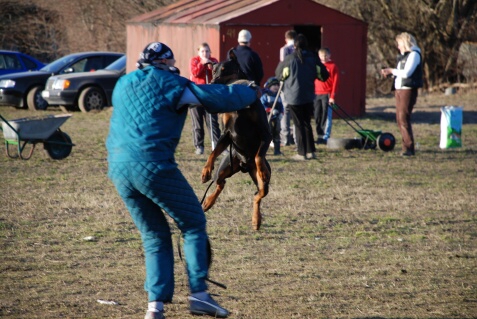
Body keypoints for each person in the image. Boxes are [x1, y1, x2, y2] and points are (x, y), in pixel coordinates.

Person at [106, 42, 259, 319]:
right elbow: (214, 97)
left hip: (118, 168)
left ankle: (155, 308)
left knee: (154, 235)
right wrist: (248, 91)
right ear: (165, 62)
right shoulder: (172, 83)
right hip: (152, 165)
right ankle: (199, 295)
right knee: (192, 224)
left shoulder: (123, 83)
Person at [275, 34, 329, 161]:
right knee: (306, 123)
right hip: (309, 95)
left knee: (298, 124)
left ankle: (301, 153)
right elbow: (324, 75)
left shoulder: (289, 59)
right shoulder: (313, 58)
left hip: (293, 97)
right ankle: (311, 151)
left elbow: (279, 75)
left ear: (294, 45)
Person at [381, 32, 423, 156]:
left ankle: (409, 147)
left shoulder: (414, 55)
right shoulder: (403, 56)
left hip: (407, 90)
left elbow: (407, 73)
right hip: (399, 89)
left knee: (404, 118)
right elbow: (400, 73)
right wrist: (391, 73)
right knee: (399, 119)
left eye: (399, 44)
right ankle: (405, 145)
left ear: (405, 43)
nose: (398, 47)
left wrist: (391, 70)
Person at [189, 43, 221, 155]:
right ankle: (199, 146)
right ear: (198, 52)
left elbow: (218, 74)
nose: (205, 53)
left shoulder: (213, 60)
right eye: (202, 51)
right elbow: (195, 73)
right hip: (196, 94)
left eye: (207, 51)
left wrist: (211, 66)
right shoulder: (194, 61)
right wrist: (202, 64)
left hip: (210, 95)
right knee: (197, 123)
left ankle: (217, 145)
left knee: (213, 122)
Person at [313, 47, 339, 144]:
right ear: (319, 56)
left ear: (329, 55)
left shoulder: (333, 67)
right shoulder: (317, 66)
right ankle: (319, 135)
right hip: (316, 93)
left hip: (327, 94)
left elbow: (335, 82)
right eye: (322, 55)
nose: (324, 57)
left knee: (326, 115)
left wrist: (332, 96)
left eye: (326, 55)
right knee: (317, 115)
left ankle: (325, 136)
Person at [279, 30, 297, 147]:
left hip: (286, 83)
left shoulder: (284, 49)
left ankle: (285, 138)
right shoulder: (299, 50)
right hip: (296, 84)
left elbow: (282, 64)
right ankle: (296, 138)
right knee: (295, 111)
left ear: (286, 39)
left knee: (285, 110)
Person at [260, 77, 284, 155]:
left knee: (277, 133)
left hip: (276, 118)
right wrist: (270, 110)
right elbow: (262, 105)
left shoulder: (278, 96)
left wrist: (281, 113)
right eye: (274, 85)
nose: (276, 87)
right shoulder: (266, 95)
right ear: (269, 86)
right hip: (267, 118)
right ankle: (264, 151)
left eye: (277, 85)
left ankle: (277, 150)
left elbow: (281, 106)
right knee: (267, 134)